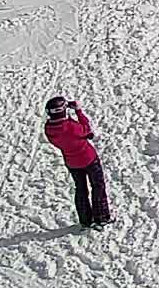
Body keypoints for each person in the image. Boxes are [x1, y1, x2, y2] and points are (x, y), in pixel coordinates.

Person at [44, 97, 111, 227]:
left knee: (81, 189)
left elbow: (65, 132)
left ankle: (85, 220)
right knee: (98, 186)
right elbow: (86, 128)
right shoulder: (71, 127)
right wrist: (78, 111)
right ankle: (101, 216)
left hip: (72, 162)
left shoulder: (49, 129)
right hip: (89, 159)